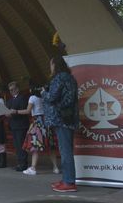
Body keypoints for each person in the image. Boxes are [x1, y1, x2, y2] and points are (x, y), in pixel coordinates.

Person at [43, 55, 79, 192]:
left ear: (55, 65)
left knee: (65, 152)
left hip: (61, 119)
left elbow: (52, 97)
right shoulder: (70, 78)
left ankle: (69, 182)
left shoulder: (59, 77)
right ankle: (66, 179)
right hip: (68, 118)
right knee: (66, 150)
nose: (50, 68)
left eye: (51, 65)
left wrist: (43, 93)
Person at [17, 86, 59, 175]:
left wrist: (16, 111)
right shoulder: (45, 96)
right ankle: (56, 167)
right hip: (46, 122)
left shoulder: (32, 98)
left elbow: (28, 111)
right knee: (50, 145)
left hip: (37, 122)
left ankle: (33, 168)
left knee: (35, 145)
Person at [5, 81, 30, 171]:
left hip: (21, 125)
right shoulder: (10, 100)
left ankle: (23, 164)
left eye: (13, 89)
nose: (11, 92)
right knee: (16, 145)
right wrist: (6, 113)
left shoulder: (22, 98)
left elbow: (24, 110)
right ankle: (19, 162)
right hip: (13, 125)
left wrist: (14, 111)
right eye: (10, 90)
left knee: (21, 145)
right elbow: (7, 110)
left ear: (17, 89)